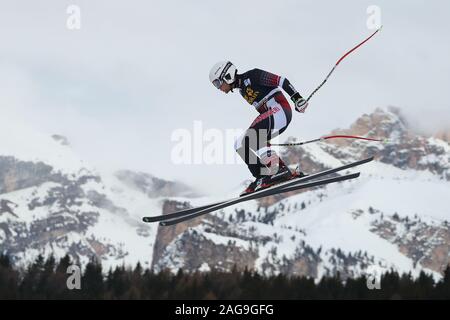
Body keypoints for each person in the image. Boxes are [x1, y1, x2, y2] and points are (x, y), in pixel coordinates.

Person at [209, 61, 308, 195]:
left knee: (254, 135)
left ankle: (278, 169)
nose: (219, 88)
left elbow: (282, 81)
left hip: (280, 110)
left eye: (218, 83)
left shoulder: (253, 75)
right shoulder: (242, 91)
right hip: (271, 116)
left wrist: (297, 98)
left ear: (227, 76)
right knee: (240, 144)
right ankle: (263, 175)